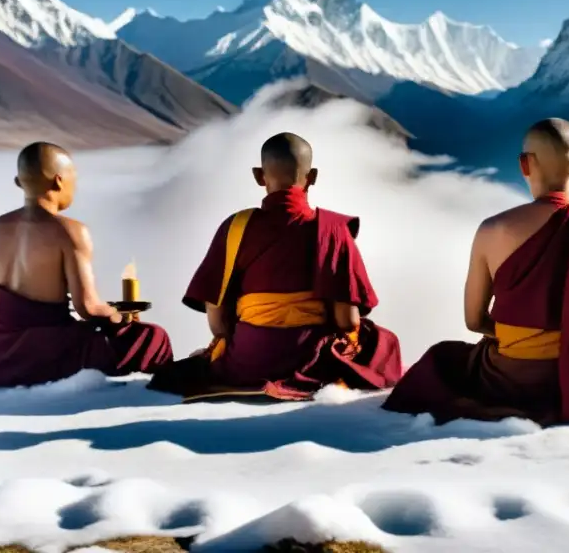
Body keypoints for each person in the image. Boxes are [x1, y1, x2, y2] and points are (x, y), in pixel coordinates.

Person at [382, 118, 569, 425]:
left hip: (509, 375)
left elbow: (474, 321)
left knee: (443, 359)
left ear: (525, 165)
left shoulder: (493, 229)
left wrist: (525, 339)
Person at [148, 132, 402, 401]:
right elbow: (346, 320)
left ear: (259, 176)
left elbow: (219, 322)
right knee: (382, 341)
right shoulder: (333, 230)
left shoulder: (235, 227)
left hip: (246, 361)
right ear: (312, 176)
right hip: (312, 360)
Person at [0, 142, 173, 387]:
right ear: (58, 181)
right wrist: (118, 315)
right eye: (73, 179)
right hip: (41, 357)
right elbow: (87, 306)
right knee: (152, 337)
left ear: (19, 182)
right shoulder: (69, 231)